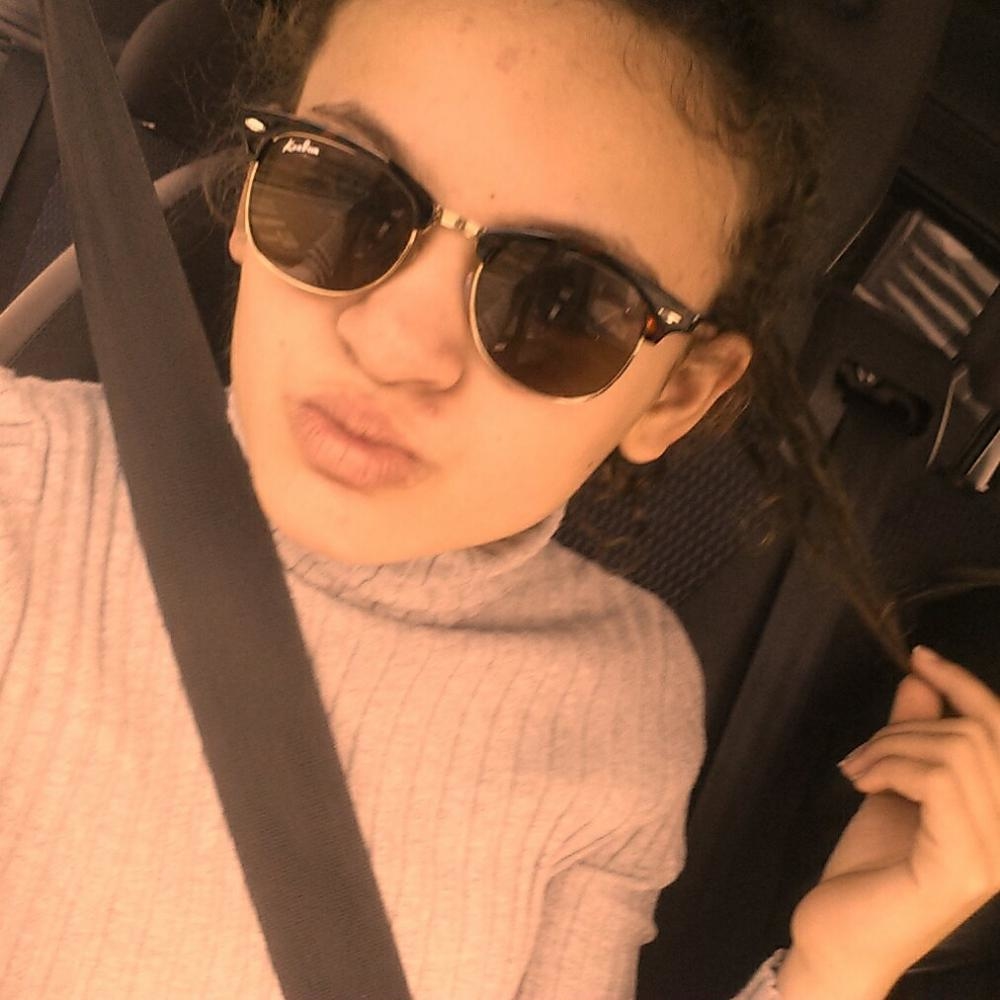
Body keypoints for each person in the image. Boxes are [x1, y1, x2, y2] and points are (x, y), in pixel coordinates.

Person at [1, 0, 998, 997]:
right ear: (253, 193)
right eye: (340, 191)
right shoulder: (21, 478)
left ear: (676, 395)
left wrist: (839, 967)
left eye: (562, 303)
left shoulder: (623, 698)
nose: (395, 345)